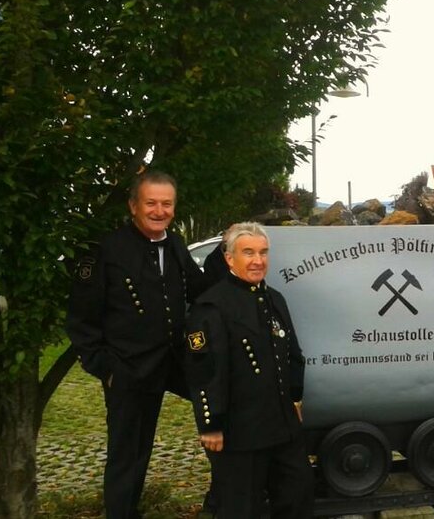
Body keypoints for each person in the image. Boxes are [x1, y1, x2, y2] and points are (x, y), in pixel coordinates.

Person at [66, 170, 207, 519]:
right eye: (151, 203)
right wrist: (105, 368)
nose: (159, 211)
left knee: (221, 405)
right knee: (128, 454)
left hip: (173, 361)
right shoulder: (107, 250)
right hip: (128, 368)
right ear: (133, 206)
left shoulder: (173, 244)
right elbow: (81, 319)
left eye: (167, 203)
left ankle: (230, 498)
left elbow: (201, 289)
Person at [184, 222, 313, 518]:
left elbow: (293, 354)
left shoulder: (274, 299)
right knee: (241, 507)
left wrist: (295, 398)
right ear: (230, 258)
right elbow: (202, 371)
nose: (258, 260)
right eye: (248, 253)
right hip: (238, 429)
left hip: (281, 423)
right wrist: (210, 424)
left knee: (298, 494)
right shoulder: (211, 307)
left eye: (263, 252)